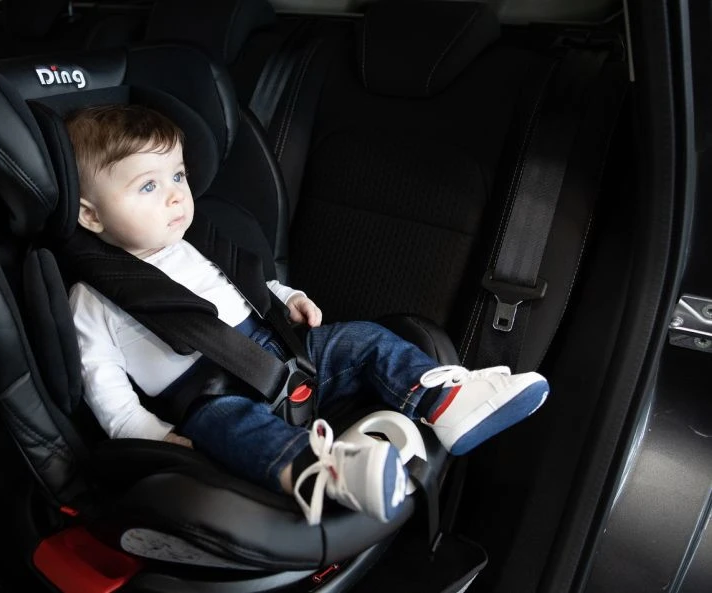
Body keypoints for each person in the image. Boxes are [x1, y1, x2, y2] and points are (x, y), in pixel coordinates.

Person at [66, 104, 550, 525]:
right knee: (229, 429)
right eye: (148, 186)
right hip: (209, 395)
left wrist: (288, 297)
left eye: (178, 176)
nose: (176, 195)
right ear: (91, 215)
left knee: (362, 339)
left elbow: (249, 286)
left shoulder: (196, 243)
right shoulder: (94, 297)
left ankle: (445, 402)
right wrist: (151, 435)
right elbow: (103, 385)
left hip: (284, 352)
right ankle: (326, 473)